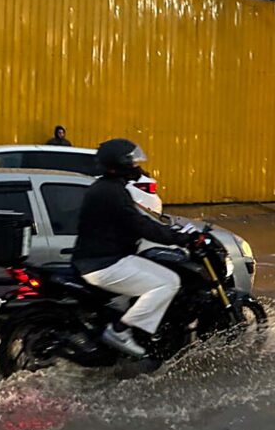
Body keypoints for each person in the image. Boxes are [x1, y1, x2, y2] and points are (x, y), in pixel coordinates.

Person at [71, 138, 194, 357]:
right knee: (168, 282)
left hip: (102, 258)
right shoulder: (111, 192)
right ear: (120, 165)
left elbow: (139, 221)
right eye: (132, 162)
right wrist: (180, 238)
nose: (137, 166)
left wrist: (170, 232)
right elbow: (140, 225)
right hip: (104, 263)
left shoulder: (107, 188)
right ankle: (120, 330)